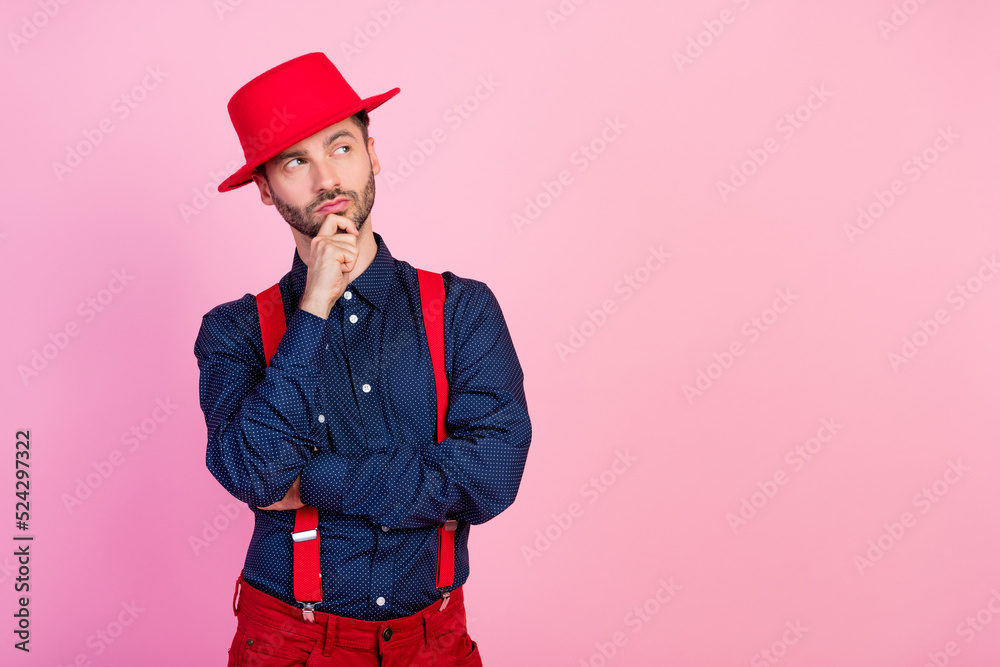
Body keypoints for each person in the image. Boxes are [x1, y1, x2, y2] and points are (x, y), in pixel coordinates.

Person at [193, 52, 531, 666]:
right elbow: (254, 474)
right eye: (297, 161)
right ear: (266, 189)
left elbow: (491, 473)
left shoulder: (461, 310)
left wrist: (313, 479)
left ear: (373, 154)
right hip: (288, 643)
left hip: (435, 643)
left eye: (341, 147)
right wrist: (314, 307)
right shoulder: (232, 331)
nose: (327, 179)